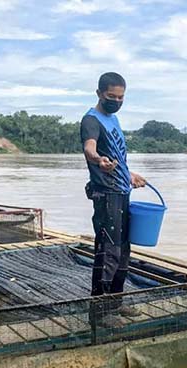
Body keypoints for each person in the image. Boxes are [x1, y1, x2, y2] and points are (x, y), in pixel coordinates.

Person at [80, 72, 146, 327]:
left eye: (121, 97)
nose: (116, 101)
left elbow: (117, 154)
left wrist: (129, 174)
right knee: (108, 251)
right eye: (111, 97)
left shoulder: (113, 119)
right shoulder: (91, 120)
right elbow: (90, 148)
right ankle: (99, 313)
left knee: (123, 251)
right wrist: (98, 161)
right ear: (99, 94)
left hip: (122, 191)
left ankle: (116, 303)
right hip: (106, 194)